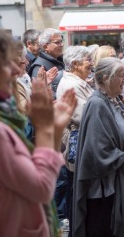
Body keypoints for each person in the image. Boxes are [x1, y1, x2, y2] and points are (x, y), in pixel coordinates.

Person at [0, 26, 77, 237]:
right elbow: (41, 188)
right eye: (6, 63)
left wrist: (54, 129)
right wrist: (46, 128)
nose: (15, 70)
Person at [72, 57, 124, 237]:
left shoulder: (112, 100)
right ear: (107, 78)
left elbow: (122, 132)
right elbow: (96, 149)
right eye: (121, 76)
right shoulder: (97, 104)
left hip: (115, 182)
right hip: (103, 189)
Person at [56, 45, 94, 234]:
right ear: (75, 64)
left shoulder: (79, 81)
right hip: (77, 141)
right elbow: (82, 116)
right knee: (76, 189)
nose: (91, 64)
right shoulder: (71, 84)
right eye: (87, 60)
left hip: (81, 140)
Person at [28, 28, 65, 99]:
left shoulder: (60, 60)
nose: (62, 45)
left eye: (61, 41)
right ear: (45, 46)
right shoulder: (39, 67)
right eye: (57, 42)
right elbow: (39, 96)